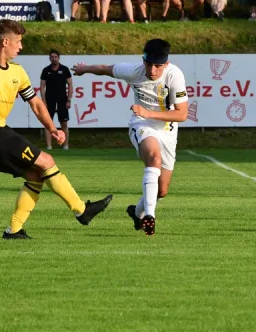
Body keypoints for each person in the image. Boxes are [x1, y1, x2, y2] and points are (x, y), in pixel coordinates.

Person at [0, 19, 112, 240]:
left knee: (36, 174)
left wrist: (52, 128)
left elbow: (35, 103)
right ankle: (82, 211)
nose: (21, 46)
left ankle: (14, 230)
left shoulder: (17, 71)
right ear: (6, 41)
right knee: (47, 161)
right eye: (19, 42)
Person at [72, 39, 188, 236]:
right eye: (149, 64)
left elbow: (182, 114)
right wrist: (84, 69)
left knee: (162, 191)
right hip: (142, 125)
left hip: (167, 129)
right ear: (143, 60)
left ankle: (137, 213)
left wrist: (148, 112)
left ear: (166, 64)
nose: (152, 70)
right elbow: (105, 68)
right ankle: (150, 216)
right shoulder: (134, 72)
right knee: (154, 158)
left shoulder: (174, 75)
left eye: (158, 66)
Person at [40, 49, 73, 150]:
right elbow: (42, 87)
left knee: (64, 123)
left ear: (59, 58)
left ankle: (65, 145)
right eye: (52, 57)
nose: (54, 59)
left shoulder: (65, 69)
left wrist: (69, 100)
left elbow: (70, 85)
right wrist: (44, 101)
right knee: (48, 123)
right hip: (49, 100)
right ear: (49, 58)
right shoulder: (46, 70)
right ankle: (49, 146)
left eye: (55, 57)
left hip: (62, 100)